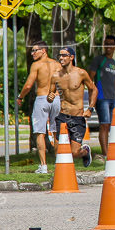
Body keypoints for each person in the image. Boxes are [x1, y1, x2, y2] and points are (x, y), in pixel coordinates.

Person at [48, 46, 98, 168]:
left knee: (74, 153)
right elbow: (50, 95)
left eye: (64, 55)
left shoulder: (81, 73)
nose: (61, 58)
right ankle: (60, 175)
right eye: (59, 55)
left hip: (77, 118)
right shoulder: (55, 76)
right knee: (58, 149)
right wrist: (50, 97)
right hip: (62, 116)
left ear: (71, 57)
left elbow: (94, 89)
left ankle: (85, 152)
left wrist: (90, 108)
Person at [16, 41, 61, 174]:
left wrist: (20, 97)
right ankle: (59, 164)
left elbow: (29, 85)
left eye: (35, 50)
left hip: (42, 98)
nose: (32, 53)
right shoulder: (58, 65)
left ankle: (43, 166)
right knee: (55, 131)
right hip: (56, 98)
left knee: (40, 132)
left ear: (44, 50)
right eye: (32, 51)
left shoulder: (36, 65)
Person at [88, 34, 115, 160]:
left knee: (112, 126)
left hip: (112, 99)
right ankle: (105, 153)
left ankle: (111, 151)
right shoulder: (98, 60)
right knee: (104, 125)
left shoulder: (114, 63)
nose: (108, 47)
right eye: (106, 44)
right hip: (102, 98)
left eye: (111, 44)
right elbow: (89, 79)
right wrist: (92, 97)